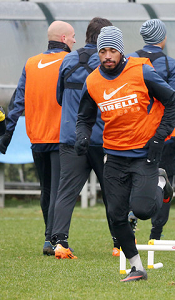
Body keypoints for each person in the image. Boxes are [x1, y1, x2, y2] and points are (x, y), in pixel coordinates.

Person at [75, 26, 175, 282]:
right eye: (103, 51)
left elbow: (174, 101)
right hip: (113, 155)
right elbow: (84, 118)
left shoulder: (141, 70)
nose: (107, 55)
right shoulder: (92, 81)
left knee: (143, 210)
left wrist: (159, 137)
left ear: (121, 51)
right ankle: (137, 267)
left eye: (112, 50)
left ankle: (160, 180)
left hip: (144, 152)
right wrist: (82, 136)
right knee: (115, 216)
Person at [0, 21, 76, 256]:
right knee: (58, 190)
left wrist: (5, 137)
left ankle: (48, 237)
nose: (75, 41)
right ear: (63, 38)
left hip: (36, 136)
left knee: (47, 189)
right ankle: (53, 240)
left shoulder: (31, 63)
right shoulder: (69, 61)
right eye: (72, 37)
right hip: (59, 136)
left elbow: (16, 104)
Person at [50, 17, 118, 259]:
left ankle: (59, 243)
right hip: (103, 139)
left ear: (87, 34)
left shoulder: (68, 59)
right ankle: (118, 244)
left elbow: (59, 97)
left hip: (70, 137)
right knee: (113, 192)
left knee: (65, 192)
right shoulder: (108, 63)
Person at [127, 19, 175, 241]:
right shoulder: (171, 65)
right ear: (164, 38)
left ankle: (129, 224)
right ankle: (156, 235)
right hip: (166, 134)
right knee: (164, 183)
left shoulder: (129, 61)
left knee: (133, 179)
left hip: (134, 135)